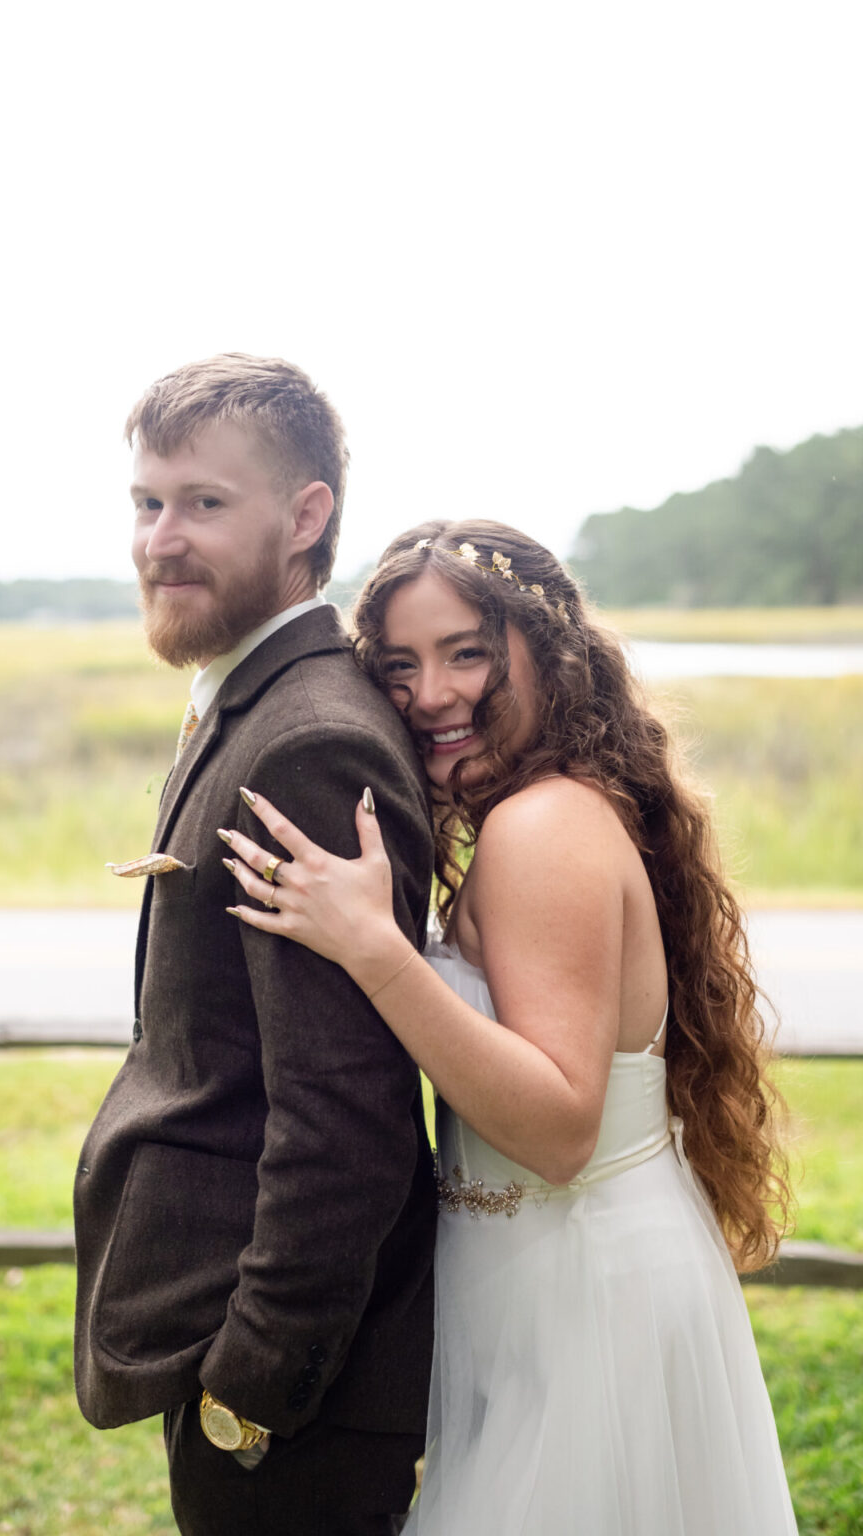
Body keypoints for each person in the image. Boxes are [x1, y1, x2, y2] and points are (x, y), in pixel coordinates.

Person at [221, 518, 799, 1535]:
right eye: (397, 664)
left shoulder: (541, 826)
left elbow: (559, 1127)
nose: (430, 693)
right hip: (541, 1282)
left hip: (584, 1297)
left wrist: (375, 951)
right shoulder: (538, 813)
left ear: (549, 655)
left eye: (467, 652)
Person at [72, 355, 437, 1536]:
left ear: (306, 517)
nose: (160, 539)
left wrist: (253, 1382)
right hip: (241, 1342)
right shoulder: (248, 700)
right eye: (146, 502)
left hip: (296, 1390)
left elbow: (345, 1114)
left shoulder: (306, 744)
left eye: (204, 504)